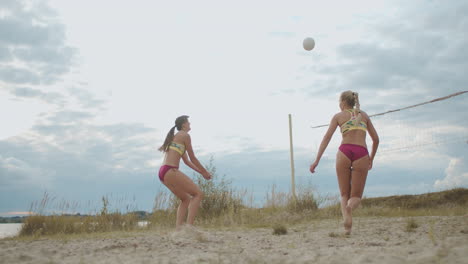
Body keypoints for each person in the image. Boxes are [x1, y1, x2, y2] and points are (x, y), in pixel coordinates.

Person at [310, 91, 379, 235]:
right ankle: (349, 208)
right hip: (361, 152)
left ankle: (347, 225)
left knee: (344, 193)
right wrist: (371, 158)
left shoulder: (338, 116)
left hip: (344, 151)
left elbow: (326, 137)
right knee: (356, 198)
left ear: (342, 103)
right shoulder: (364, 116)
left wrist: (317, 160)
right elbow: (376, 139)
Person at [158, 115, 212, 230]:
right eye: (188, 122)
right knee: (198, 194)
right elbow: (193, 158)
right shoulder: (185, 135)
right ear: (183, 124)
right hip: (170, 170)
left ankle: (178, 230)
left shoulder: (176, 137)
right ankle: (189, 228)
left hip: (163, 172)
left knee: (186, 199)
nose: (190, 124)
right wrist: (205, 171)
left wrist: (201, 173)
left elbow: (187, 161)